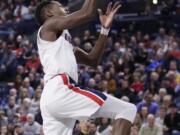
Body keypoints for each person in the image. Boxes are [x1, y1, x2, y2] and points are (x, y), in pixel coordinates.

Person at [35, 0, 137, 135]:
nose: (65, 8)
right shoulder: (49, 25)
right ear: (49, 12)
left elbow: (92, 61)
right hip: (61, 88)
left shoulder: (64, 44)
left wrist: (104, 30)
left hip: (50, 97)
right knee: (126, 110)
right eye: (60, 6)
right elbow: (86, 13)